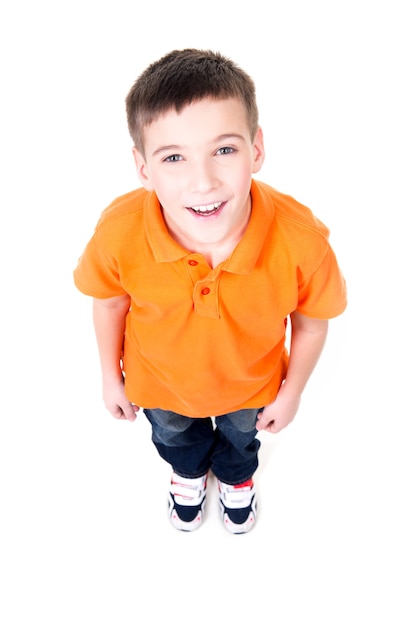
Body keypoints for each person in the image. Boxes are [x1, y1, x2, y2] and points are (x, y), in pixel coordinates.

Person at [73, 48, 347, 534]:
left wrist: (292, 392)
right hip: (158, 386)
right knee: (176, 437)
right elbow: (110, 300)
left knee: (243, 442)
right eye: (174, 157)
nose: (203, 181)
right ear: (142, 168)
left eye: (224, 149)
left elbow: (311, 322)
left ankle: (238, 478)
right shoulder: (118, 232)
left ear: (256, 149)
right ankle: (188, 471)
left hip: (252, 387)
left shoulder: (302, 242)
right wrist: (109, 376)